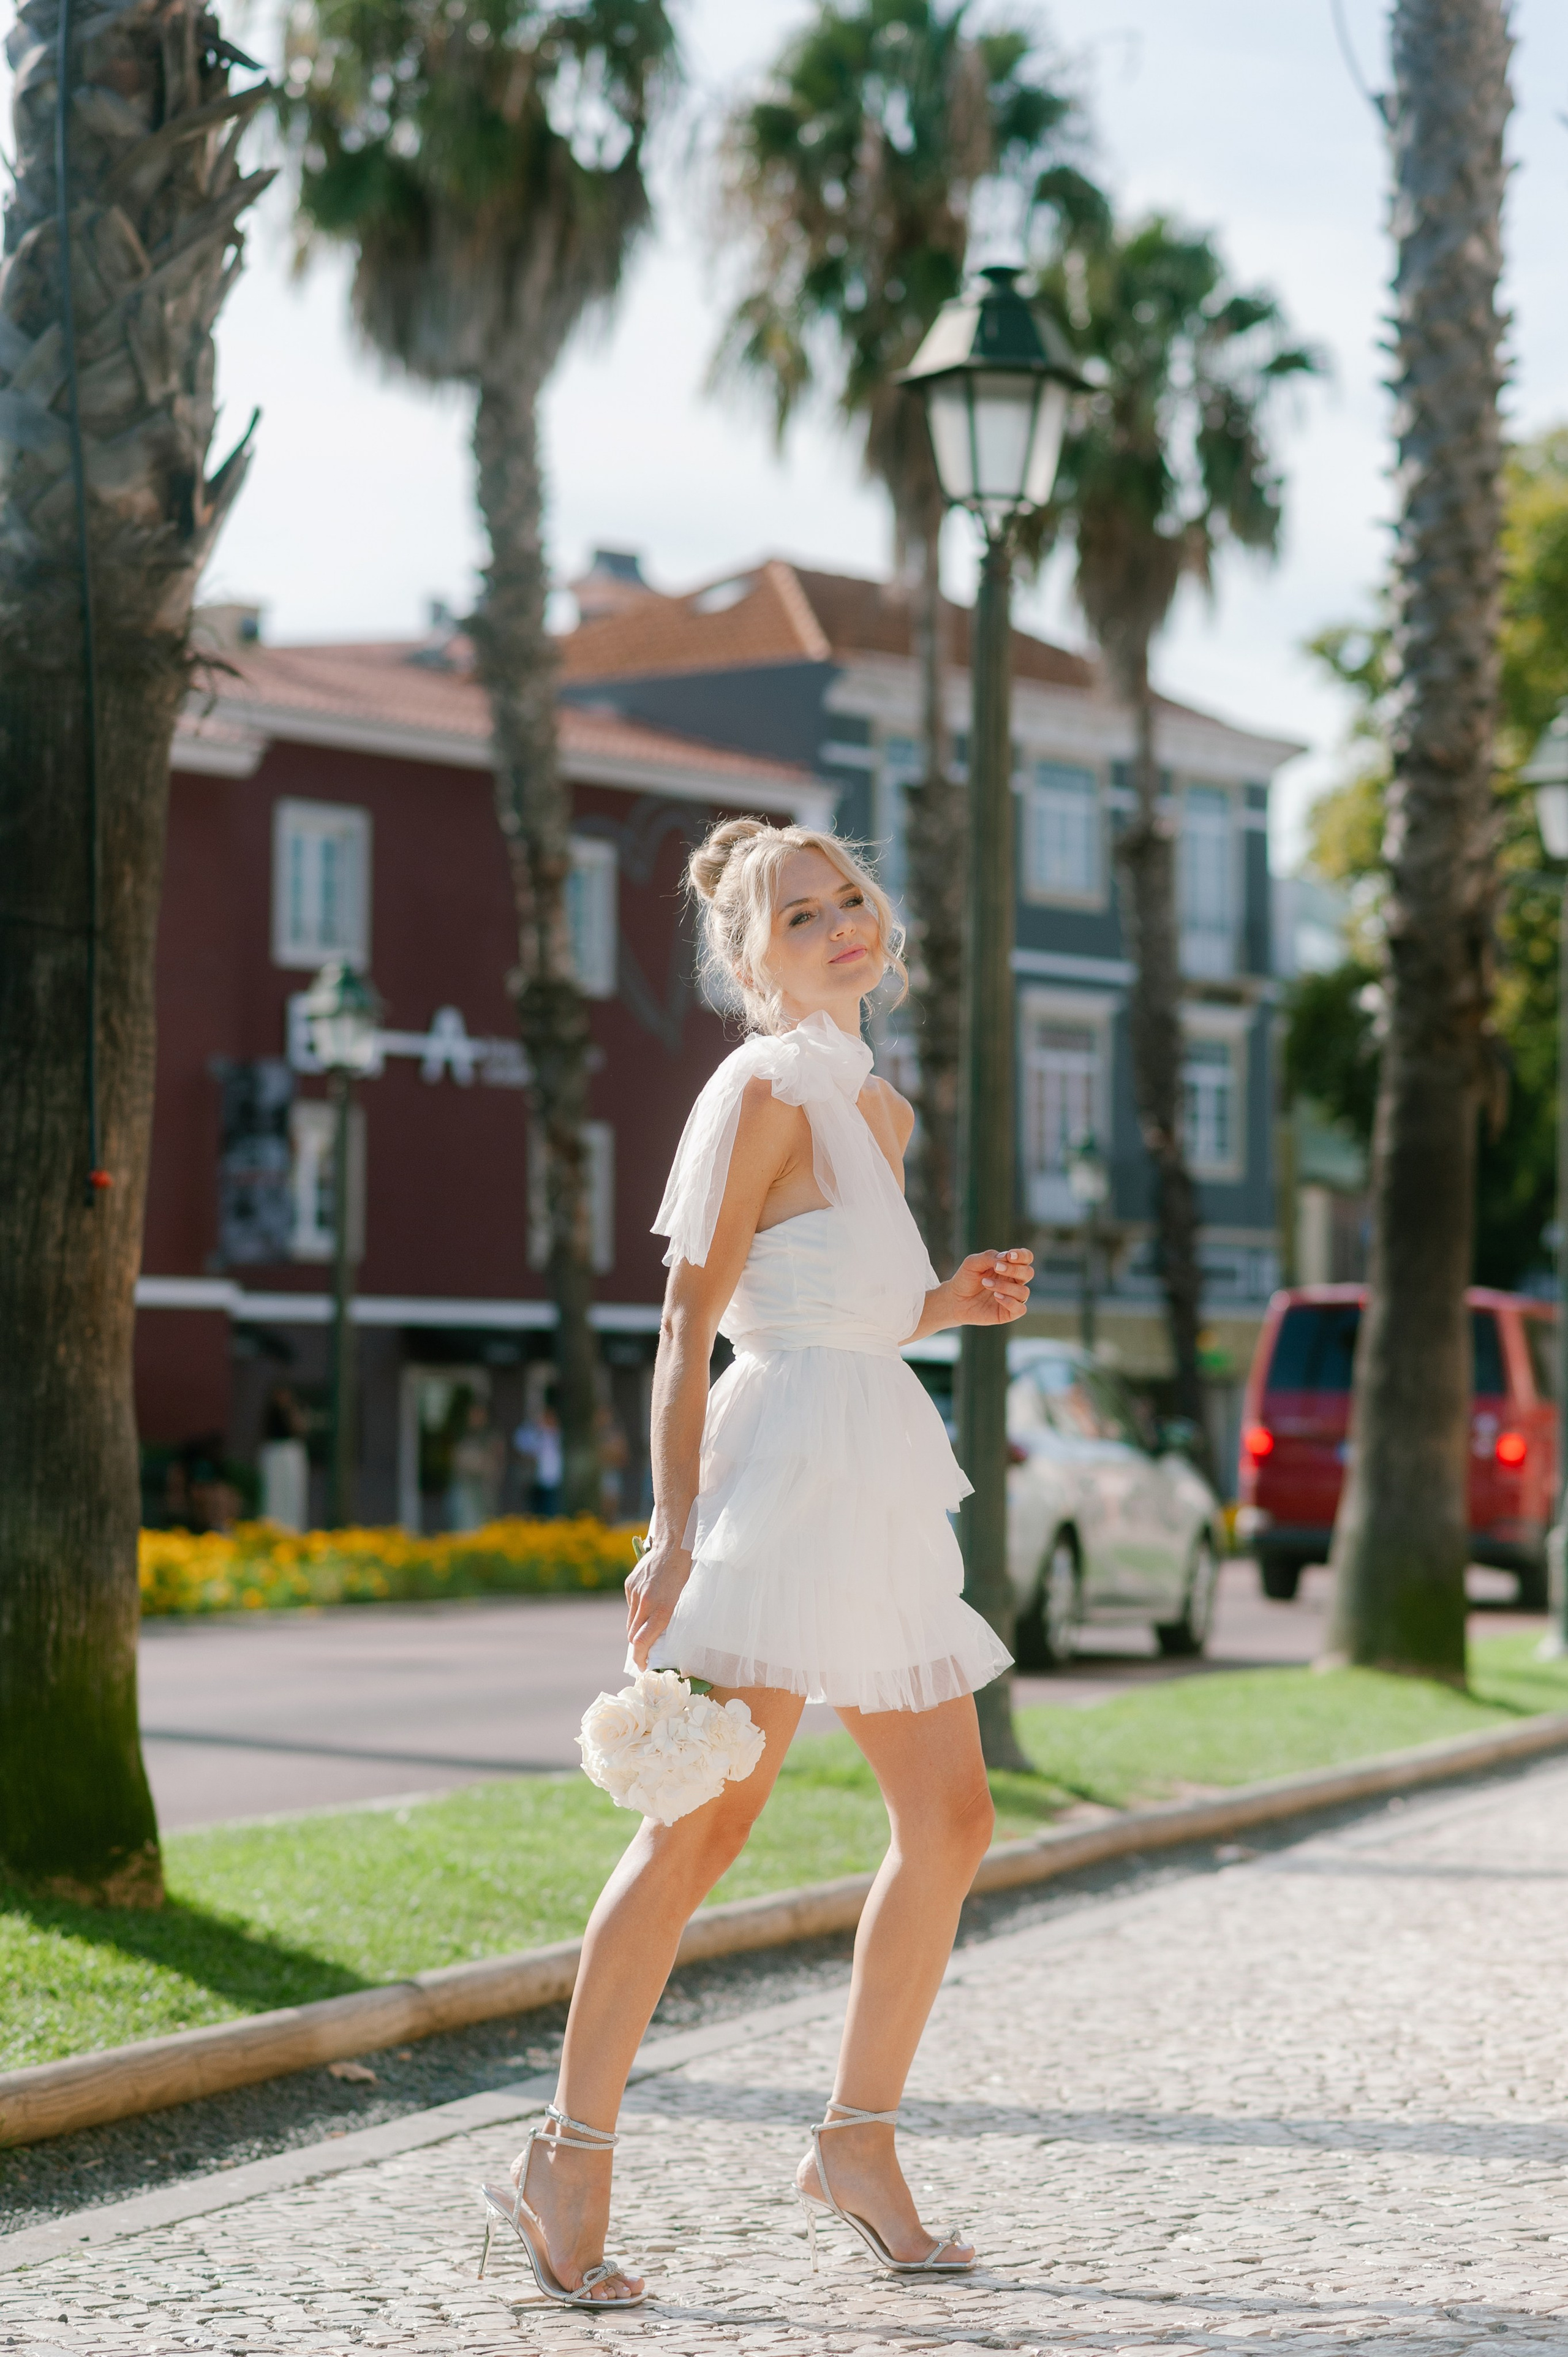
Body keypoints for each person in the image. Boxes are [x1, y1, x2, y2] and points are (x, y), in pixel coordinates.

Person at [477, 817, 1033, 2309]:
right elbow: (690, 1318)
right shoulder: (762, 1085)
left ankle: (854, 2142)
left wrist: (941, 1304)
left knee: (955, 1818)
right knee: (699, 1831)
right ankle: (565, 2153)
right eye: (799, 916)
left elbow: (840, 1304)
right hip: (780, 1471)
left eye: (848, 896)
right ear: (747, 960)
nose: (840, 923)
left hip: (872, 1458)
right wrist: (668, 1524)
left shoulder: (880, 1111)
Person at [512, 1397, 563, 1517]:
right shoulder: (531, 1432)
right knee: (534, 1513)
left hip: (554, 1481)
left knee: (551, 1512)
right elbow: (522, 1446)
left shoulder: (559, 1434)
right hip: (534, 1481)